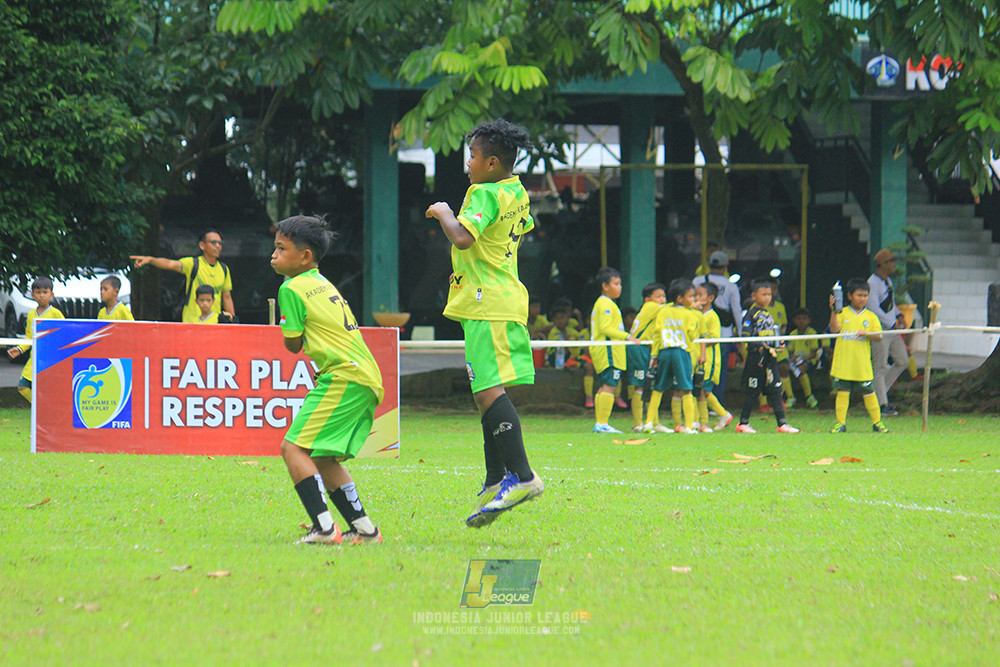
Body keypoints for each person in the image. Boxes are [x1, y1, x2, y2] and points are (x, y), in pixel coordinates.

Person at [425, 118, 544, 528]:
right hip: (499, 298)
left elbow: (463, 237)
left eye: (472, 156)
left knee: (489, 389)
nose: (468, 165)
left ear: (493, 162)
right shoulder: (518, 191)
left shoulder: (484, 192)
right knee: (484, 390)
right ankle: (497, 479)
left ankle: (523, 476)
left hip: (487, 301)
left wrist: (443, 212)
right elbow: (516, 231)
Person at [270, 215, 384, 544]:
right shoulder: (321, 281)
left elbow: (292, 344)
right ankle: (364, 529)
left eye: (281, 248)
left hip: (344, 375)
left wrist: (292, 332)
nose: (273, 254)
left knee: (293, 448)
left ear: (305, 256)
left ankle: (324, 528)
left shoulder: (291, 287)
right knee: (320, 457)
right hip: (365, 376)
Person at [735, 278, 799, 434]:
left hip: (770, 359)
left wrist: (778, 344)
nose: (767, 297)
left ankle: (782, 424)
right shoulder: (751, 314)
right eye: (763, 294)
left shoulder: (768, 315)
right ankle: (743, 424)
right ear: (754, 295)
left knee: (777, 390)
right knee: (752, 391)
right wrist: (760, 346)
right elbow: (746, 336)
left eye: (769, 294)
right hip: (756, 360)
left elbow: (772, 336)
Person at [130, 229, 235, 323]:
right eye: (213, 242)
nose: (218, 246)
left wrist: (234, 321)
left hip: (214, 324)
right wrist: (151, 260)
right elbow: (170, 264)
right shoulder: (193, 264)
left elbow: (227, 297)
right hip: (191, 322)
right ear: (202, 245)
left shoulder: (224, 269)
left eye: (220, 243)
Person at [828, 278, 889, 433]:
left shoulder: (870, 316)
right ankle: (840, 423)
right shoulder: (842, 312)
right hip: (844, 362)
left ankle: (878, 423)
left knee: (869, 392)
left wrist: (868, 334)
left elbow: (879, 336)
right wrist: (833, 311)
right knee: (842, 392)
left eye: (865, 295)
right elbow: (834, 330)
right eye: (859, 295)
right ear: (849, 296)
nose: (862, 299)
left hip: (862, 363)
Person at [588, 266, 639, 433]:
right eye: (616, 284)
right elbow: (605, 328)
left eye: (620, 284)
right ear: (605, 286)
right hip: (608, 351)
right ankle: (602, 423)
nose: (620, 287)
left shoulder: (606, 303)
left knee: (605, 386)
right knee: (609, 385)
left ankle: (600, 423)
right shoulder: (605, 304)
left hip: (607, 350)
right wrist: (627, 336)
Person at [646, 279, 700, 434]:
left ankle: (649, 422)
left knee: (658, 387)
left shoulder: (663, 311)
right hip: (681, 352)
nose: (693, 300)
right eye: (691, 296)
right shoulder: (689, 314)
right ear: (679, 298)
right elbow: (691, 335)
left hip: (664, 351)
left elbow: (657, 334)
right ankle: (689, 426)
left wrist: (654, 355)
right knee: (686, 389)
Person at [693, 250, 743, 402]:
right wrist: (741, 336)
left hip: (698, 333)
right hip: (723, 334)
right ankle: (716, 403)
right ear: (726, 265)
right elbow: (736, 311)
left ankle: (698, 403)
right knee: (718, 372)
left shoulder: (697, 281)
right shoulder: (731, 286)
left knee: (696, 370)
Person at [6, 278, 65, 402]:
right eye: (38, 292)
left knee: (47, 389)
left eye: (45, 292)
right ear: (33, 295)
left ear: (51, 294)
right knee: (22, 386)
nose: (42, 296)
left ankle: (45, 409)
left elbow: (64, 334)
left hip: (50, 360)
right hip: (34, 359)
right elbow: (29, 337)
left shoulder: (56, 314)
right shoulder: (31, 314)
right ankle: (40, 406)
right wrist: (19, 349)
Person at [867, 249, 908, 416]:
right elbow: (873, 308)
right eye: (891, 261)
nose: (894, 265)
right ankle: (882, 404)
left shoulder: (888, 281)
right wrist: (891, 323)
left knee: (902, 361)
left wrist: (899, 314)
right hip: (881, 330)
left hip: (892, 330)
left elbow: (890, 303)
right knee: (880, 367)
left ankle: (880, 393)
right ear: (882, 264)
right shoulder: (872, 283)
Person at [694, 281, 734, 430]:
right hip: (698, 359)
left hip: (709, 360)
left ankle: (722, 415)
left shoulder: (712, 317)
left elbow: (714, 339)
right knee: (699, 390)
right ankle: (703, 422)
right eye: (694, 295)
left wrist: (698, 342)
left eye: (699, 295)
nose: (696, 298)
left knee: (704, 390)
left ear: (710, 298)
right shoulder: (696, 314)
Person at [626, 283, 666, 432]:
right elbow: (672, 310)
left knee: (648, 384)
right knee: (640, 385)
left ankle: (653, 422)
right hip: (638, 348)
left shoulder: (652, 309)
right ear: (647, 299)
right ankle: (638, 423)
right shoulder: (651, 307)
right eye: (658, 296)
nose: (662, 299)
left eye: (664, 296)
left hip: (645, 348)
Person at [762, 278, 796, 409]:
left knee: (784, 368)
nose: (771, 292)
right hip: (765, 344)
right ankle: (763, 403)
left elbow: (784, 324)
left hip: (778, 344)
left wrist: (779, 337)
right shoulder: (758, 308)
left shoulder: (780, 307)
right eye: (768, 290)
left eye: (773, 289)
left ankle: (788, 397)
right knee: (765, 373)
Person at [786, 308, 821, 408]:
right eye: (799, 319)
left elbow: (814, 353)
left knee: (801, 368)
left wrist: (804, 359)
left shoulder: (812, 332)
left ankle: (809, 396)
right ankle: (790, 396)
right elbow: (791, 352)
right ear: (794, 320)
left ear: (809, 320)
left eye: (804, 318)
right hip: (795, 361)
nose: (802, 321)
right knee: (783, 368)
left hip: (810, 360)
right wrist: (793, 358)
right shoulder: (793, 334)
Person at [545, 303, 584, 369]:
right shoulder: (554, 331)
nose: (560, 321)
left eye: (562, 317)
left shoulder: (570, 330)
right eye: (557, 318)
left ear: (567, 319)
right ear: (554, 320)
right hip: (554, 357)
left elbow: (580, 337)